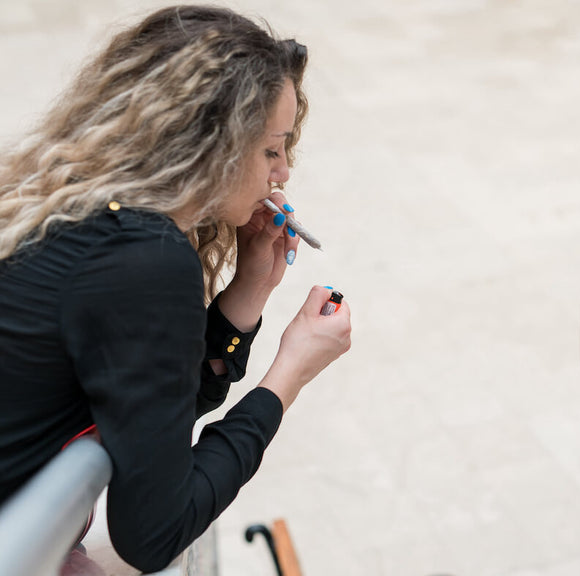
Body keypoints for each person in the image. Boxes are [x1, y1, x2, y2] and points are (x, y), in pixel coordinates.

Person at [0, 6, 352, 572]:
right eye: (270, 148)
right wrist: (289, 374)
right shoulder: (144, 261)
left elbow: (160, 416)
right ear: (211, 143)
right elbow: (156, 530)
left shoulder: (83, 205)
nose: (283, 171)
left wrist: (250, 290)